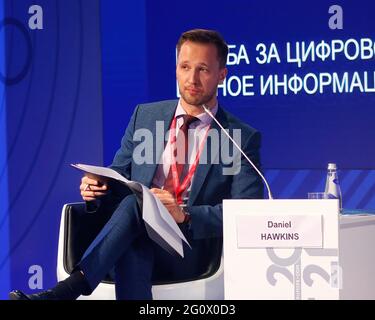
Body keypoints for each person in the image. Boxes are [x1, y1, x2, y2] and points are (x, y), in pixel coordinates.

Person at [9, 29, 264, 300]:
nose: (192, 79)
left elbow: (246, 214)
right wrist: (97, 188)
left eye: (203, 69)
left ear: (221, 75)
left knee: (136, 209)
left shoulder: (239, 137)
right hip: (138, 233)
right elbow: (119, 176)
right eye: (185, 67)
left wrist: (185, 214)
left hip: (192, 247)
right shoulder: (146, 116)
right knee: (137, 219)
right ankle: (67, 291)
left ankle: (67, 291)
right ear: (176, 68)